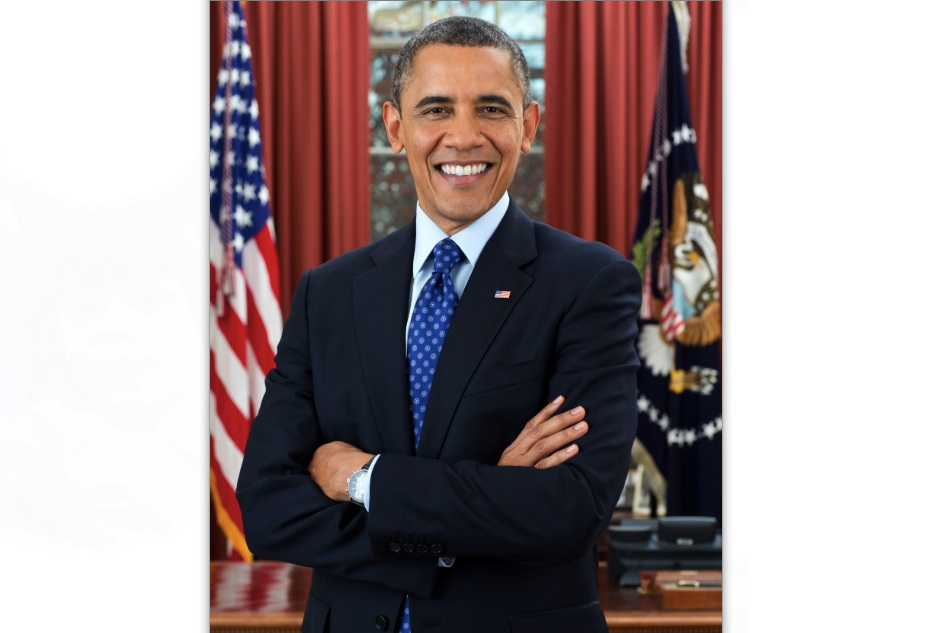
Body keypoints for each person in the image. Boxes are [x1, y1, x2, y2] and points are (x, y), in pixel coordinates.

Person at [236, 16, 641, 633]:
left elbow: (569, 509)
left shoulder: (590, 283)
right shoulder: (330, 292)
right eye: (435, 109)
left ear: (527, 126)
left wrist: (365, 479)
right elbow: (268, 508)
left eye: (491, 109)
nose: (463, 135)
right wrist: (469, 521)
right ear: (396, 128)